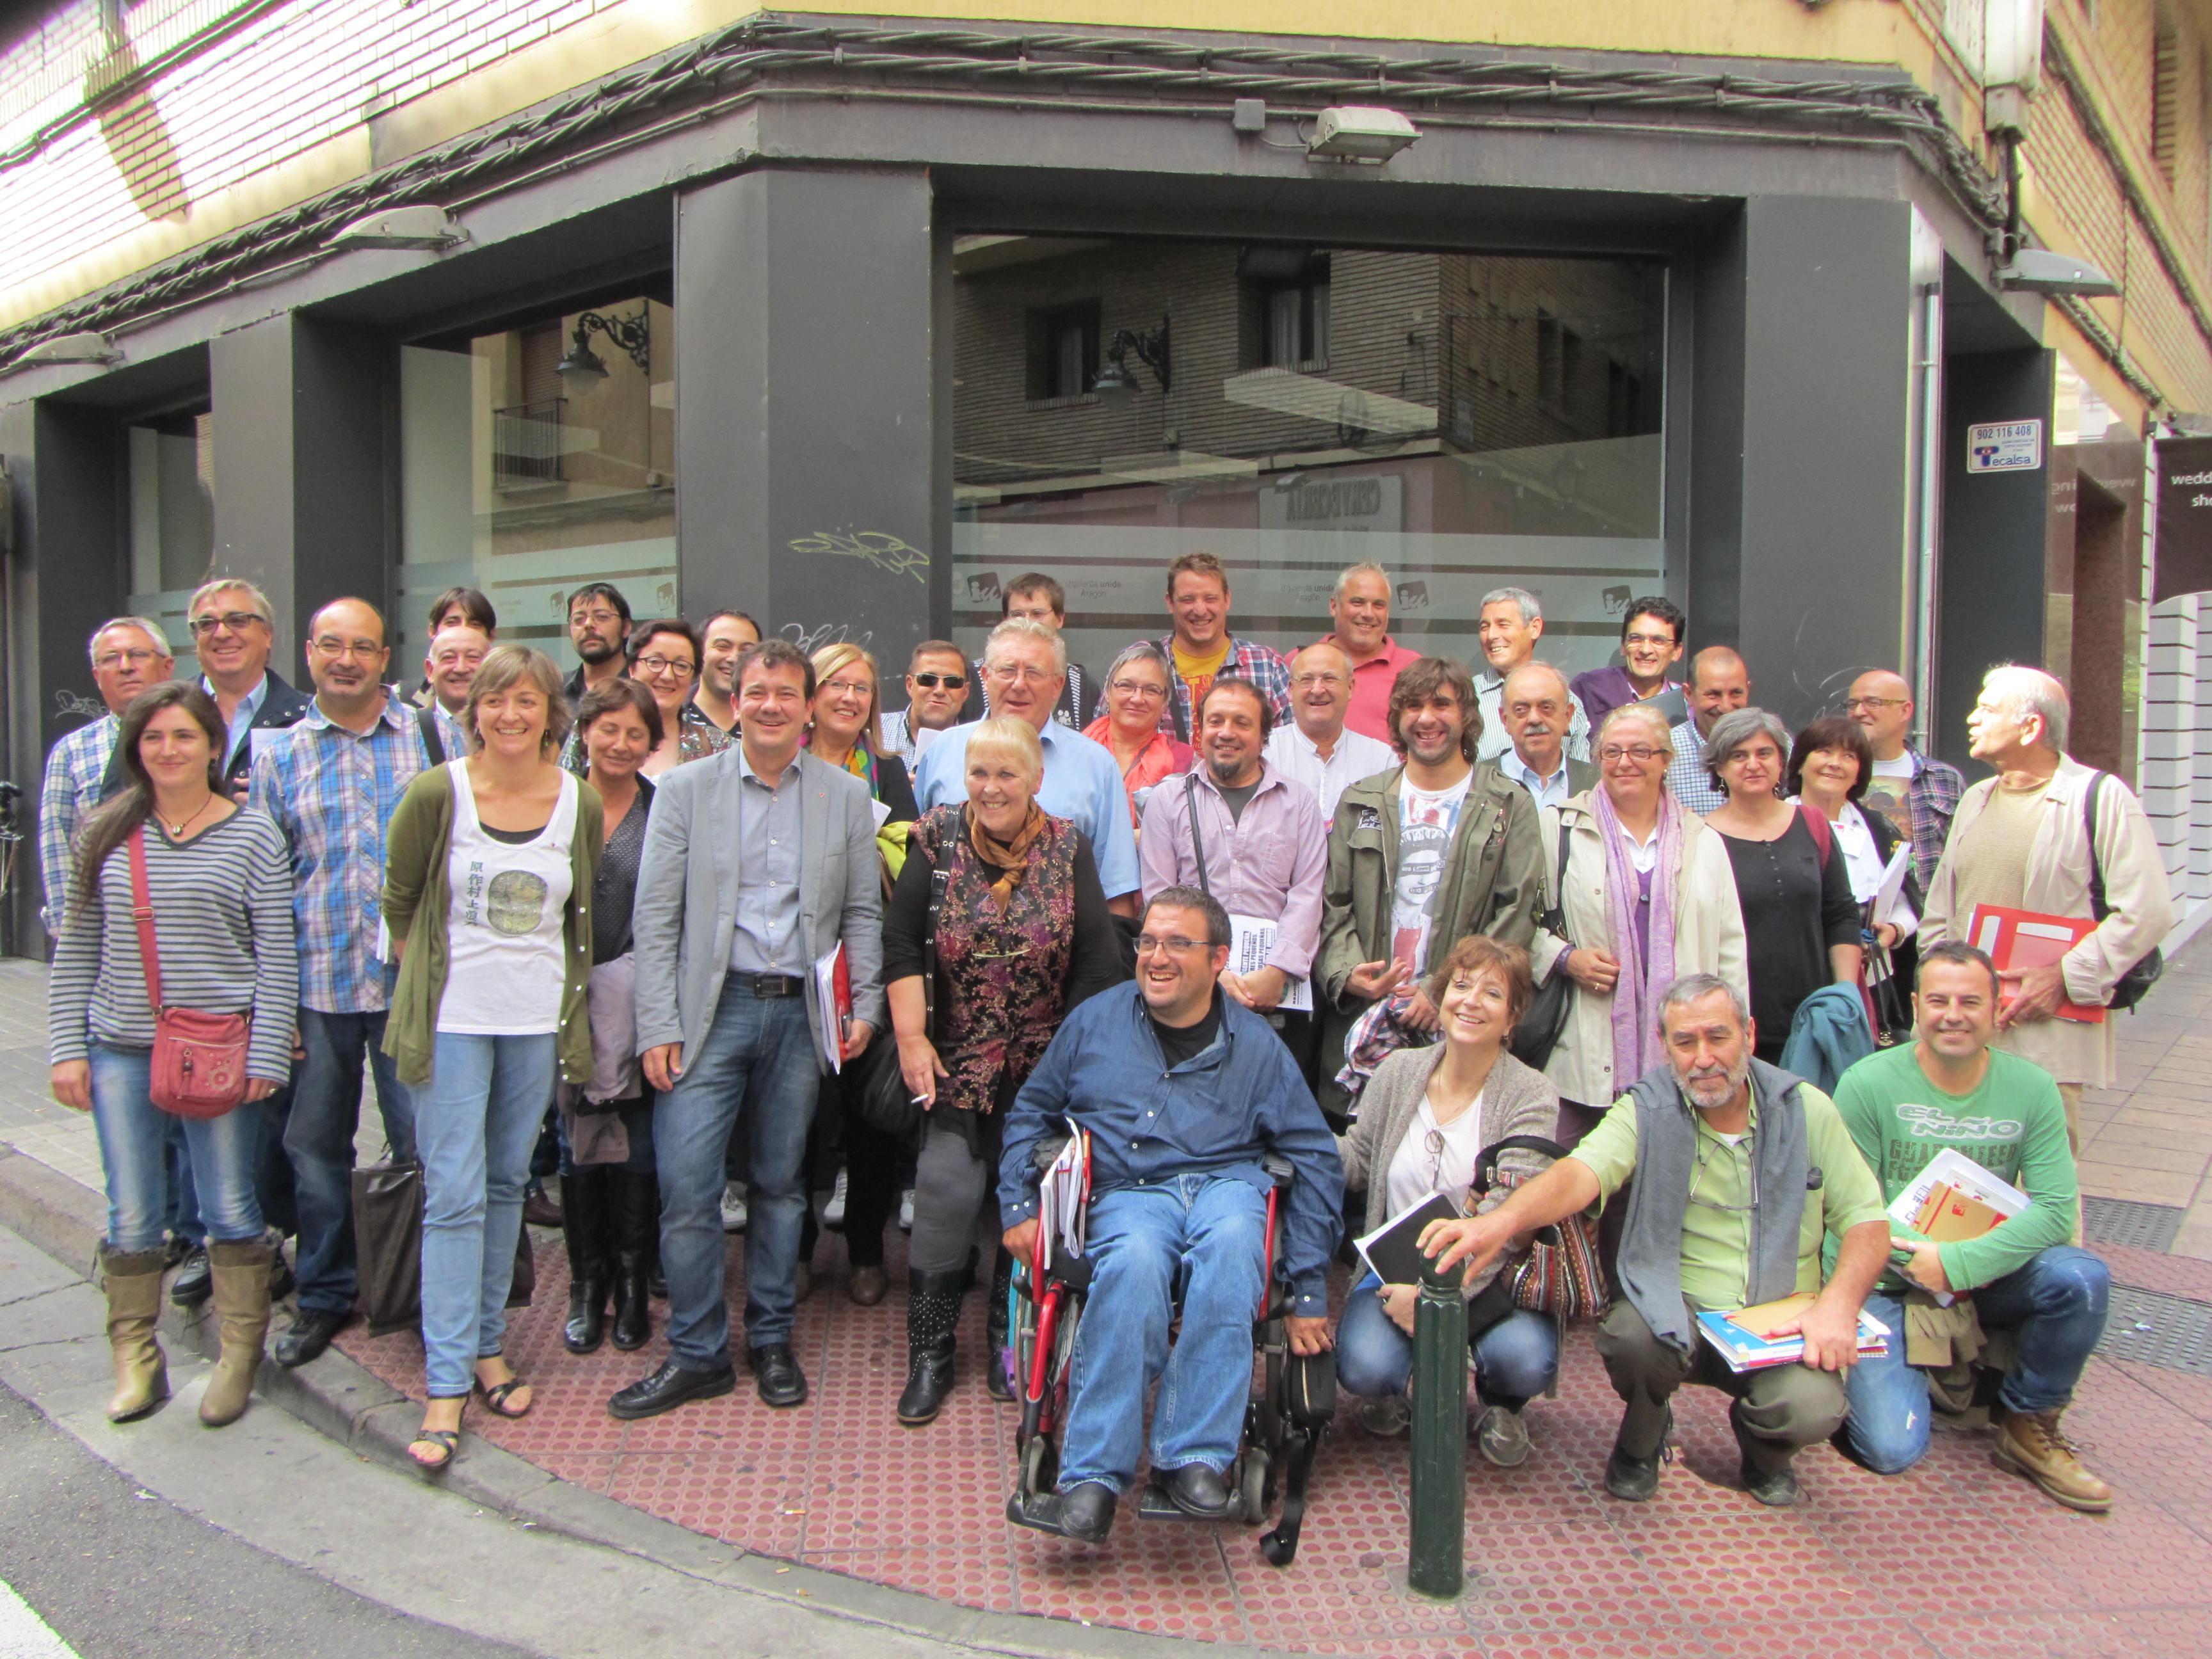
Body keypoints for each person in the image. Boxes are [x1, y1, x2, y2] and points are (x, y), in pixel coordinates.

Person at [1422, 974, 1893, 1508]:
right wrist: (1498, 1223)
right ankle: (1642, 1439)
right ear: (1665, 1047)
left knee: (1814, 1407)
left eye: (1718, 1037)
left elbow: (1868, 1223)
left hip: (1776, 1316)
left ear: (1751, 1035)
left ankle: (1766, 1453)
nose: (1704, 1058)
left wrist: (1838, 1306)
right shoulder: (1647, 1108)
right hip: (1676, 1309)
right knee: (1630, 1339)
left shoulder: (1805, 1110)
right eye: (1685, 1042)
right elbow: (1581, 1173)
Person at [999, 887, 1343, 1543]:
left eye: (1176, 945)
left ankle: (1192, 1458)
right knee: (1129, 1264)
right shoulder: (1095, 1023)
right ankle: (1092, 1477)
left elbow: (1315, 1158)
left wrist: (1303, 1288)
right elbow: (1030, 1114)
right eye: (1148, 942)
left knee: (1237, 1244)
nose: (1155, 957)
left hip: (1227, 1182)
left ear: (1218, 959)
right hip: (1130, 1189)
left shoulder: (1257, 1047)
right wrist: (1017, 1205)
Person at [612, 639, 884, 1419]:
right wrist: (656, 1023)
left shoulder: (842, 796)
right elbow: (655, 918)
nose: (770, 705)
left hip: (800, 1014)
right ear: (735, 702)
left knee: (781, 1185)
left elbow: (862, 912)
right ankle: (697, 1353)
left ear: (807, 707)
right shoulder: (684, 791)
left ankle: (771, 1340)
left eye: (786, 693)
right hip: (710, 1011)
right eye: (756, 691)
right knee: (690, 1188)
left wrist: (861, 1009)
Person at [47, 682, 297, 1427]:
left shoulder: (252, 833)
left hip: (220, 1047)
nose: (168, 750)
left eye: (183, 736)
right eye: (153, 738)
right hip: (122, 1044)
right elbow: (76, 948)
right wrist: (66, 1046)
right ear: (135, 749)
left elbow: (275, 955)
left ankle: (237, 1356)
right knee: (133, 1211)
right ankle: (136, 1360)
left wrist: (267, 1055)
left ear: (213, 746)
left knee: (227, 1204)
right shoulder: (105, 832)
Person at [381, 645, 604, 1471]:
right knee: (455, 1192)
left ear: (553, 714)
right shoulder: (438, 792)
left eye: (528, 701)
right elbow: (400, 899)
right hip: (451, 1020)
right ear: (472, 709)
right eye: (495, 700)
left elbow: (576, 909)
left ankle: (484, 1345)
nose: (511, 715)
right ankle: (444, 1382)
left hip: (536, 1021)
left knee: (509, 1181)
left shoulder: (576, 800)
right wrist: (425, 988)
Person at [886, 717, 1126, 1423]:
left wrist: (1069, 1066)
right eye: (979, 773)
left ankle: (1005, 1339)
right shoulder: (933, 839)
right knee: (947, 1193)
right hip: (955, 1056)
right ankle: (929, 1353)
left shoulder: (1068, 846)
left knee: (1024, 1202)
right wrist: (909, 1037)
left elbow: (1096, 962)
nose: (990, 788)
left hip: (1042, 1061)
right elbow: (899, 944)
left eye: (1006, 775)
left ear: (1036, 781)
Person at [1833, 942, 2113, 1511]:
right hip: (1885, 1281)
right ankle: (1913, 1377)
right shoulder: (1866, 1084)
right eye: (1937, 1000)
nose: (1953, 1014)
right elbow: (1846, 1209)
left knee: (2082, 1279)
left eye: (1969, 1001)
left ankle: (2028, 1421)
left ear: (1995, 1009)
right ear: (1915, 1006)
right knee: (1889, 1449)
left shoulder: (2032, 1088)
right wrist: (1919, 1263)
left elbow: (2057, 1210)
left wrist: (1959, 1264)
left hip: (1989, 1274)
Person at [249, 599, 431, 1371]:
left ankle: (420, 1295)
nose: (347, 660)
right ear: (309, 652)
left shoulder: (432, 736)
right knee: (318, 1151)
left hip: (411, 991)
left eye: (363, 647)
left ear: (386, 658)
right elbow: (260, 886)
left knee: (423, 1147)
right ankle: (326, 1292)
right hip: (316, 986)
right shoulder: (277, 756)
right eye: (332, 646)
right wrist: (270, 1006)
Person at [1920, 666, 2174, 1147]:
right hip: (1960, 1027)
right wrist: (1937, 987)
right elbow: (1941, 912)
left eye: (1987, 709)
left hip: (2044, 1026)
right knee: (1951, 1178)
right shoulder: (1975, 799)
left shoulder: (2099, 797)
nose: (1972, 718)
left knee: (2043, 1187)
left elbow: (2147, 911)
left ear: (2031, 726)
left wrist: (2062, 975)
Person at [1334, 936, 1563, 1466]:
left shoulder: (1530, 1094)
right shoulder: (1398, 1072)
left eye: (1491, 993)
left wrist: (1437, 1298)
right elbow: (1359, 1162)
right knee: (1365, 1369)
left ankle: (1504, 1404)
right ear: (1440, 998)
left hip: (1490, 1272)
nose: (1470, 1001)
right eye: (1460, 986)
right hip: (1395, 1263)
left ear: (1512, 1017)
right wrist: (1298, 1135)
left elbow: (1512, 1216)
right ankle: (1396, 1388)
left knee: (1524, 1362)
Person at [1316, 656, 1544, 1117]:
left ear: (1467, 717)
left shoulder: (1509, 804)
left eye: (1442, 704)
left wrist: (1443, 990)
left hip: (1462, 1028)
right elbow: (1331, 901)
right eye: (1412, 706)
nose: (1426, 718)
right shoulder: (1361, 800)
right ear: (1398, 720)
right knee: (1356, 1165)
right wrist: (1348, 972)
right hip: (1365, 1021)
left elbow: (1517, 910)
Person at [1533, 703, 1747, 1135]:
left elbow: (1731, 947)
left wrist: (1735, 1037)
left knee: (1671, 1185)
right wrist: (1564, 957)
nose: (1624, 763)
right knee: (1579, 1186)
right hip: (1585, 1054)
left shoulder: (1703, 840)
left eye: (1639, 751)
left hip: (1688, 1052)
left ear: (1666, 759)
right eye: (1612, 753)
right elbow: (1518, 923)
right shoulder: (1560, 828)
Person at [801, 640, 916, 1302]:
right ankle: (795, 1252)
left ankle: (868, 1253)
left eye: (862, 688)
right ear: (810, 695)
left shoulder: (889, 772)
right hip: (799, 960)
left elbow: (906, 869)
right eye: (835, 684)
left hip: (868, 955)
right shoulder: (782, 765)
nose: (849, 697)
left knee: (871, 1115)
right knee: (799, 1121)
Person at [561, 679, 666, 1356]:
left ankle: (631, 1284)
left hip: (638, 1000)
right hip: (561, 1001)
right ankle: (584, 1284)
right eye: (608, 730)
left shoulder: (665, 809)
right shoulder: (556, 800)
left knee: (634, 1146)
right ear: (585, 731)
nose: (621, 744)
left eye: (635, 733)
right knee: (576, 1147)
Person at [1139, 677, 1326, 1043]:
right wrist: (1212, 975)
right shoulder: (1168, 801)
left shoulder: (1298, 802)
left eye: (1242, 722)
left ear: (1263, 735)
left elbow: (1308, 893)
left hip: (1278, 1000)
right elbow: (1159, 898)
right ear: (1201, 730)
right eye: (1215, 721)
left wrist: (1277, 971)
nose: (1226, 732)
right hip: (1192, 990)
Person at [914, 619, 1141, 914]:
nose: (1019, 684)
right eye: (1008, 670)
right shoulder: (942, 751)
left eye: (1033, 673)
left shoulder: (1096, 766)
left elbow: (1116, 893)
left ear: (1058, 685)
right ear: (985, 677)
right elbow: (917, 872)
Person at [1701, 708, 1862, 1066]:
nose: (1752, 764)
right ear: (1720, 768)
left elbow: (1841, 914)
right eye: (1738, 756)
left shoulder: (1813, 823)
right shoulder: (1699, 838)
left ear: (1781, 762)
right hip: (1738, 1023)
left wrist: (1845, 994)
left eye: (1764, 753)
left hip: (1816, 1018)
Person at [41, 616, 175, 936]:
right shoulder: (72, 751)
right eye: (111, 659)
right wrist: (69, 933)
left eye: (138, 655)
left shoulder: (198, 738)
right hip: (106, 931)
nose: (125, 666)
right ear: (97, 676)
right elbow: (57, 845)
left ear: (168, 666)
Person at [1789, 716, 1919, 1037]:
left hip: (1872, 983)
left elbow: (1906, 899)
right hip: (1795, 979)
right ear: (1800, 763)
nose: (1835, 764)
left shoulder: (1878, 827)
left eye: (1849, 756)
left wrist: (1894, 930)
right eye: (1824, 752)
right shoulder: (1776, 825)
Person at [188, 577, 313, 796]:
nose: (222, 634)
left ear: (267, 635)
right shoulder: (163, 713)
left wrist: (274, 810)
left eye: (238, 621)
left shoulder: (308, 718)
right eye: (207, 624)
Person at [1148, 552, 1291, 741]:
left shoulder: (1268, 666)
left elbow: (1290, 747)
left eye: (1210, 599)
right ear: (1170, 603)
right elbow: (1105, 739)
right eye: (1188, 600)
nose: (1200, 610)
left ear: (1227, 599)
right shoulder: (1142, 664)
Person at [1845, 668, 1964, 886]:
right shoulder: (1833, 775)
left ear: (1905, 710)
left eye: (1873, 702)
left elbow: (1962, 857)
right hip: (1852, 912)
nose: (1859, 712)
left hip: (1924, 914)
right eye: (1852, 704)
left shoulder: (1944, 779)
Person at [1263, 641, 1396, 824]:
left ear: (1350, 687)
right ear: (1291, 690)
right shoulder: (1263, 754)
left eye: (1330, 679)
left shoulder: (1382, 760)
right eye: (1306, 680)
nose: (1317, 690)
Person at [960, 573, 1098, 730]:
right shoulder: (973, 677)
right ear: (987, 677)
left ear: (1060, 619)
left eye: (1037, 614)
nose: (1027, 620)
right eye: (1017, 614)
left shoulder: (1081, 684)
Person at [1083, 641, 1193, 831]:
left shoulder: (1184, 761)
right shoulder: (1075, 751)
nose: (1137, 698)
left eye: (1151, 690)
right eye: (1126, 686)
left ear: (1165, 702)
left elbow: (1190, 832)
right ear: (1108, 693)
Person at [1474, 588, 1590, 765]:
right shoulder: (1466, 697)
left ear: (1535, 628)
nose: (1491, 636)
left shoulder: (1565, 699)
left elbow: (1580, 777)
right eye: (1484, 627)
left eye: (1503, 625)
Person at [1317, 563, 1418, 745]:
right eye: (1358, 603)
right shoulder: (1301, 663)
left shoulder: (1413, 669)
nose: (1368, 614)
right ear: (1334, 606)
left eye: (1379, 605)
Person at [624, 620, 731, 776]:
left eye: (681, 666)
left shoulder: (720, 746)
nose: (667, 676)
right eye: (655, 662)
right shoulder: (596, 731)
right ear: (632, 669)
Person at [1569, 597, 1687, 736]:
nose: (1646, 650)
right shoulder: (1589, 688)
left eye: (1658, 641)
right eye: (1636, 638)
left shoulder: (1687, 704)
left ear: (1677, 651)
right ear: (1623, 646)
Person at [1496, 662, 1596, 812]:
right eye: (1521, 709)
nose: (1534, 719)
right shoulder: (1475, 784)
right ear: (1505, 720)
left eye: (1546, 708)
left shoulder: (1597, 784)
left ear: (1568, 716)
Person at [1664, 647, 1752, 816]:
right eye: (1713, 695)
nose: (1726, 707)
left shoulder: (1775, 746)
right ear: (1688, 694)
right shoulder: (1667, 751)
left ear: (1748, 690)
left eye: (1736, 693)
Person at [881, 638, 971, 768]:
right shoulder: (875, 732)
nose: (940, 690)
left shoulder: (979, 746)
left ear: (965, 692)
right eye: (928, 679)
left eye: (952, 682)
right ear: (910, 685)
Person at [411, 588, 496, 710]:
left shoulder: (510, 699)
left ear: (491, 635)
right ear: (432, 631)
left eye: (475, 625)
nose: (463, 630)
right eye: (452, 623)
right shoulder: (398, 701)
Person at [420, 623, 490, 763]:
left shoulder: (509, 726)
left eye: (473, 657)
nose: (461, 668)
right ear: (430, 670)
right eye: (449, 658)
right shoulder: (410, 729)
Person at [690, 610, 761, 738]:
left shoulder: (769, 720)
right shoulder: (671, 717)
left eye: (746, 650)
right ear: (699, 650)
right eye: (722, 646)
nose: (734, 658)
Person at [564, 582, 632, 703]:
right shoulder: (555, 692)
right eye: (579, 620)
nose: (588, 624)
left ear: (626, 628)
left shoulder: (646, 687)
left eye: (602, 617)